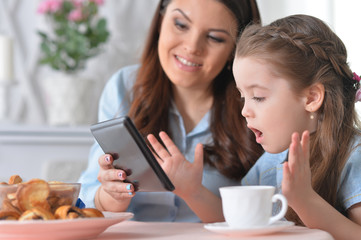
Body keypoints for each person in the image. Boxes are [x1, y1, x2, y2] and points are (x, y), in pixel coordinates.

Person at [78, 0, 264, 222]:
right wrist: (112, 194)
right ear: (160, 21)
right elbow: (89, 201)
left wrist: (194, 193)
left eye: (215, 37)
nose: (192, 47)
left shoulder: (256, 105)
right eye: (181, 25)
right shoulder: (124, 87)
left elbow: (265, 217)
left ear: (235, 50)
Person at [230, 14, 361, 239]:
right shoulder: (270, 163)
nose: (245, 111)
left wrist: (304, 200)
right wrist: (192, 191)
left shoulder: (352, 157)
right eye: (243, 97)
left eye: (258, 97)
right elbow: (234, 221)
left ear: (311, 98)